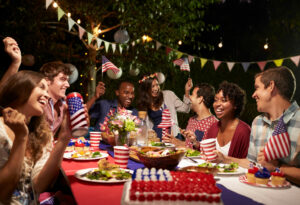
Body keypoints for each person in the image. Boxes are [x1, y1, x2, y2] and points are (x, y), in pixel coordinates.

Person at [219, 66, 300, 185]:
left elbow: (271, 166)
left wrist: (278, 167)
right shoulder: (258, 122)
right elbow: (253, 163)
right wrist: (225, 159)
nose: (253, 95)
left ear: (271, 86)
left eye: (257, 88)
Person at [0, 70, 72, 204]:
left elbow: (39, 186)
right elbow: (3, 194)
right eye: (41, 87)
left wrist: (64, 138)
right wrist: (21, 139)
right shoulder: (1, 130)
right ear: (21, 88)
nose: (47, 95)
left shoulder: (42, 134)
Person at [137, 73, 192, 140]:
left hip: (173, 137)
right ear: (146, 89)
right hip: (157, 138)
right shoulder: (144, 103)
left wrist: (187, 91)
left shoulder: (168, 95)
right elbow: (143, 124)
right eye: (152, 86)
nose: (156, 88)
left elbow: (186, 109)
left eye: (157, 85)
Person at [162, 83, 218, 149]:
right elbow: (188, 145)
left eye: (192, 95)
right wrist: (174, 141)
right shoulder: (192, 120)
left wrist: (177, 143)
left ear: (200, 99)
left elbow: (207, 151)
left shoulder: (214, 124)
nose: (190, 97)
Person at [207, 81, 251, 158]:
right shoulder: (213, 128)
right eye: (216, 100)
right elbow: (205, 154)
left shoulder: (244, 131)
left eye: (224, 100)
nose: (217, 104)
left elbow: (249, 163)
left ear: (235, 105)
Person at [40, 61, 72, 135]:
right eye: (62, 79)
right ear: (47, 81)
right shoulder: (39, 102)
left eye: (67, 80)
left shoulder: (63, 104)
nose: (68, 85)